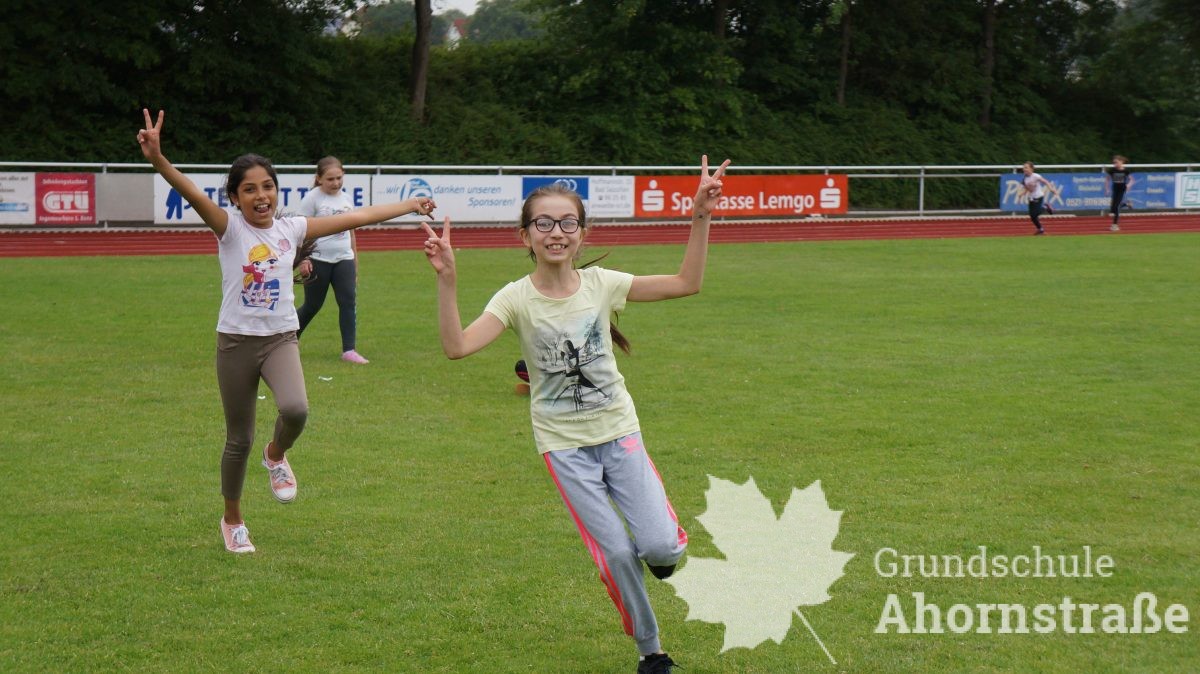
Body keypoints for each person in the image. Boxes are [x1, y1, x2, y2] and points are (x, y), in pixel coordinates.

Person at [421, 156, 730, 674]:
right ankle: (652, 653)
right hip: (564, 447)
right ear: (525, 235)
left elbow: (686, 282)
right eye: (543, 223)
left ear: (582, 233)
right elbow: (457, 347)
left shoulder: (602, 284)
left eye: (567, 223)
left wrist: (701, 214)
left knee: (657, 546)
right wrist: (448, 279)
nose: (556, 232)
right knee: (616, 554)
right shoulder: (515, 298)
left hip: (619, 433)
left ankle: (665, 553)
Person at [136, 109, 435, 554]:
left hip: (280, 339)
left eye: (268, 186)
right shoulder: (228, 228)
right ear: (235, 197)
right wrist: (159, 160)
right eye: (249, 189)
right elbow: (191, 192)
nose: (261, 196)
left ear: (277, 191)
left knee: (296, 409)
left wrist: (410, 206)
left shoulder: (292, 229)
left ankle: (275, 454)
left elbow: (358, 217)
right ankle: (233, 519)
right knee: (238, 439)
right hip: (235, 343)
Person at [295, 157, 370, 364]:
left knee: (348, 303)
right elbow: (300, 231)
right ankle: (288, 338)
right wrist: (303, 259)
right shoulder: (311, 199)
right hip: (318, 260)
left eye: (339, 178)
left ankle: (349, 351)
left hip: (344, 259)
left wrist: (354, 263)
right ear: (319, 178)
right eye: (330, 179)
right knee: (312, 305)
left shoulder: (347, 199)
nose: (336, 183)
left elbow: (351, 233)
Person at [1020, 161, 1060, 235]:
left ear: (1031, 169)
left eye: (1026, 167)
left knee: (1036, 213)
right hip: (1031, 198)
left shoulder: (1036, 176)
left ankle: (1046, 207)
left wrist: (1051, 189)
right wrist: (1021, 194)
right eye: (1024, 167)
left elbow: (1046, 182)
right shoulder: (1024, 179)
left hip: (1038, 196)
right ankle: (1040, 229)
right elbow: (1027, 189)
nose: (1024, 169)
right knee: (1032, 216)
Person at [1104, 155, 1134, 232]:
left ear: (1121, 162)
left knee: (1116, 207)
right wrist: (1107, 189)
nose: (1115, 164)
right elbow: (1107, 179)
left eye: (1116, 162)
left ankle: (1115, 225)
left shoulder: (1125, 171)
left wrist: (1128, 185)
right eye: (1114, 163)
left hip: (1122, 189)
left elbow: (1132, 180)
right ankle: (1127, 204)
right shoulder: (1112, 170)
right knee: (1113, 208)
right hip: (1115, 189)